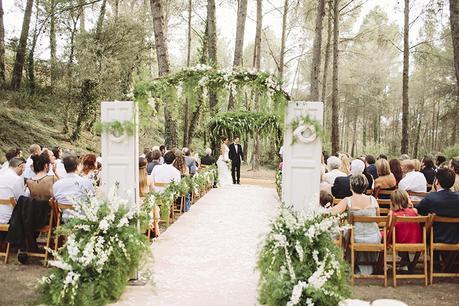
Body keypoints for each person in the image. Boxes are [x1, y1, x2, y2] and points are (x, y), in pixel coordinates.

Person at [331, 174, 381, 275]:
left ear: (351, 186)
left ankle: (344, 262)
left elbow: (332, 213)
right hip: (374, 237)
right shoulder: (373, 200)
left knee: (336, 232)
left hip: (355, 237)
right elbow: (378, 220)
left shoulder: (347, 200)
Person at [417, 168, 459, 243]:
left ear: (436, 181)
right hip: (456, 237)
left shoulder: (431, 197)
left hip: (435, 237)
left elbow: (418, 210)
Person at [389, 189, 422, 270]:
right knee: (405, 232)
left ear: (393, 202)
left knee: (393, 234)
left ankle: (404, 263)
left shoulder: (392, 214)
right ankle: (405, 263)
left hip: (399, 242)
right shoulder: (414, 211)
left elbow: (389, 228)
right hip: (416, 241)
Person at [0, 158, 26, 224]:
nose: (23, 171)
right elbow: (21, 199)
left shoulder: (1, 175)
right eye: (23, 168)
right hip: (8, 217)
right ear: (19, 166)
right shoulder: (17, 179)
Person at [139, 157, 160, 237]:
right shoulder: (149, 178)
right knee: (155, 208)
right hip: (146, 204)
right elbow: (153, 192)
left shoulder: (134, 178)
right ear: (146, 165)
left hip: (137, 203)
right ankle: (154, 230)